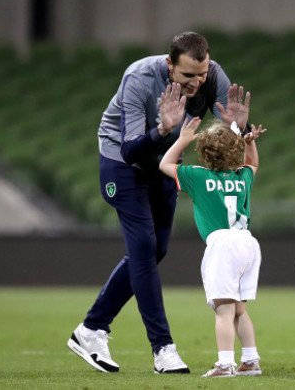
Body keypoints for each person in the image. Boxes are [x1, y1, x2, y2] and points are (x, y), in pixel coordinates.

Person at [67, 31, 250, 374]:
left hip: (163, 162)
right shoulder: (139, 78)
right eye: (187, 76)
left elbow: (233, 131)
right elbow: (130, 149)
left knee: (154, 251)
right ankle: (162, 348)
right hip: (122, 164)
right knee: (143, 245)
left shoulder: (212, 75)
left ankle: (91, 329)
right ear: (169, 66)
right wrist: (163, 131)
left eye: (202, 73)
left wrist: (241, 129)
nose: (197, 82)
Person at [159, 117, 266, 378]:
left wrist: (182, 140)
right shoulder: (243, 177)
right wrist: (250, 144)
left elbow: (165, 164)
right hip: (247, 242)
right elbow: (252, 163)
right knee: (239, 308)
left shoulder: (197, 176)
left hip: (223, 245)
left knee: (223, 309)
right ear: (235, 151)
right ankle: (250, 361)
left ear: (205, 153)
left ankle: (225, 363)